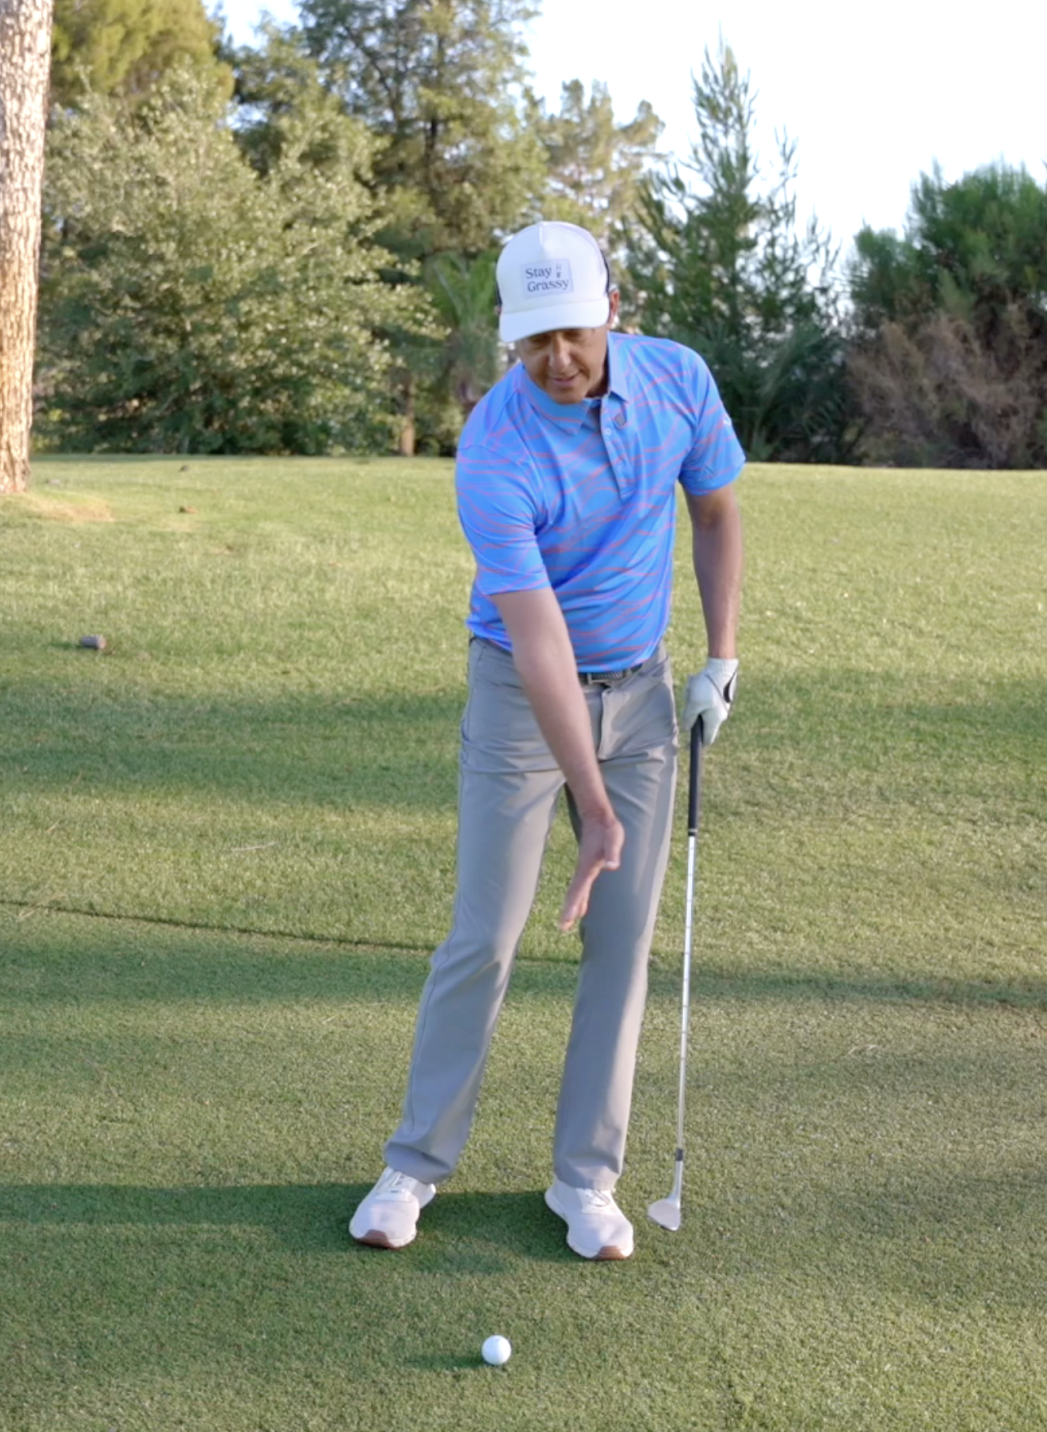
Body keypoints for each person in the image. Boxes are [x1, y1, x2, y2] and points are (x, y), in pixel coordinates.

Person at [348, 219, 744, 1261]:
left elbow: (715, 514)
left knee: (621, 942)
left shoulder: (678, 381)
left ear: (611, 308)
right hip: (522, 699)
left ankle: (585, 1179)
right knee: (485, 935)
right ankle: (414, 1163)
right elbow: (537, 642)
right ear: (510, 338)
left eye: (573, 331)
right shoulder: (495, 445)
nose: (558, 358)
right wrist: (595, 805)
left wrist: (722, 657)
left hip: (643, 693)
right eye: (534, 340)